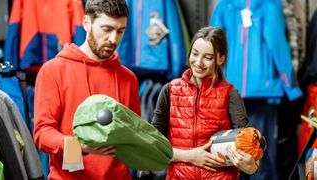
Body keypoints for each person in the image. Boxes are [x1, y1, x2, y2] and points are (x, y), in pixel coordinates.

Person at [33, 0, 141, 179]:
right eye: (106, 29)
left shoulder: (128, 78)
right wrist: (80, 147)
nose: (113, 39)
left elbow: (134, 135)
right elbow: (43, 133)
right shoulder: (54, 70)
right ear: (86, 23)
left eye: (120, 31)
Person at [151, 26, 259, 179]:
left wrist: (251, 166)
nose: (198, 63)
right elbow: (153, 144)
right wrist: (188, 156)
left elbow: (248, 144)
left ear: (221, 59)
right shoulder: (170, 90)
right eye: (195, 54)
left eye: (208, 57)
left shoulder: (230, 94)